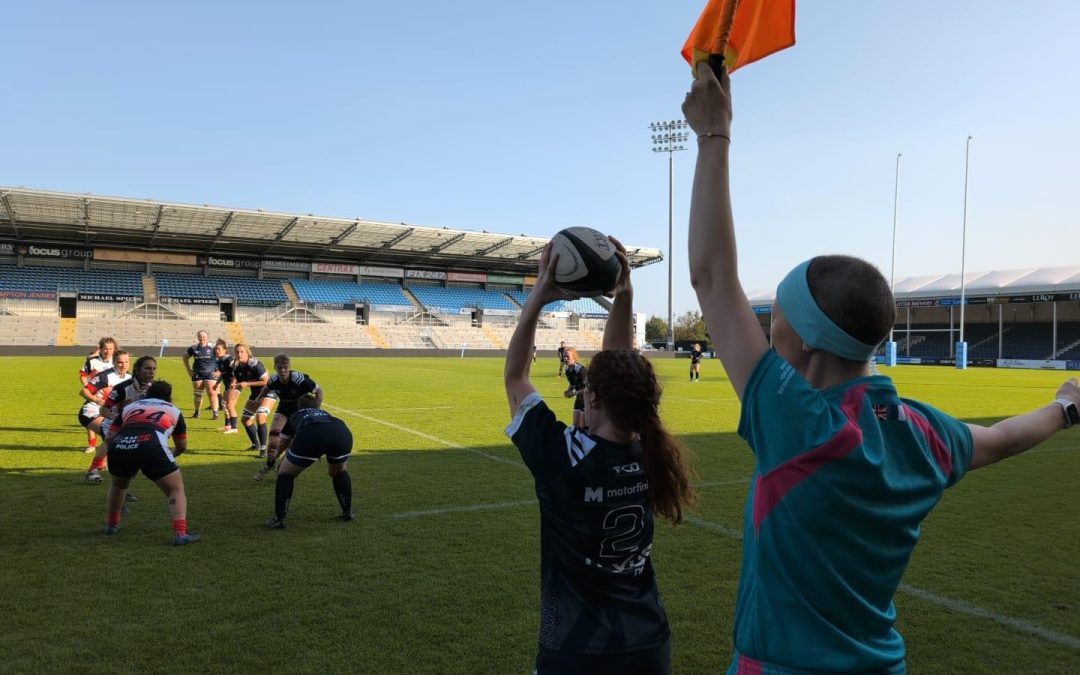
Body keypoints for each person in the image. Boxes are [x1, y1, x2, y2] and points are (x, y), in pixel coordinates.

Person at [683, 61, 1080, 673]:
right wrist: (1066, 406)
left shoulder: (798, 424)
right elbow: (1001, 439)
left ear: (807, 344)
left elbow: (712, 277)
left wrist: (715, 137)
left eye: (776, 322)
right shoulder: (924, 433)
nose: (765, 331)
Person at [504, 238, 695, 675]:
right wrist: (625, 294)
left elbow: (515, 375)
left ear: (589, 397)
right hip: (648, 643)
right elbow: (620, 366)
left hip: (576, 651)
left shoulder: (563, 456)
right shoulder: (650, 447)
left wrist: (537, 296)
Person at [103, 380, 200, 546]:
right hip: (152, 445)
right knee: (175, 489)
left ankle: (112, 525)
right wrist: (170, 457)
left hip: (120, 445)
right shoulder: (174, 410)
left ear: (147, 394)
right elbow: (182, 445)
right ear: (169, 397)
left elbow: (110, 436)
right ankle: (180, 534)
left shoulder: (130, 407)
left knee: (119, 486)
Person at [264, 397, 354, 529]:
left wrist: (276, 455)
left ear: (298, 407)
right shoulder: (325, 413)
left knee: (285, 474)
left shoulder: (296, 414)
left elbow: (283, 441)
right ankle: (347, 511)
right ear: (317, 407)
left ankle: (279, 519)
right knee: (339, 471)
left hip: (312, 434)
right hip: (341, 432)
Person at [254, 354, 322, 481]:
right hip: (284, 409)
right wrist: (258, 399)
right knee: (274, 441)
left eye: (286, 367)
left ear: (290, 367)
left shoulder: (299, 378)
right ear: (275, 367)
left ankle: (281, 469)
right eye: (280, 368)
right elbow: (267, 388)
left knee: (290, 445)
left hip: (299, 411)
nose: (283, 370)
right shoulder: (273, 379)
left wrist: (315, 409)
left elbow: (319, 391)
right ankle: (269, 466)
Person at [79, 350, 132, 483]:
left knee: (114, 439)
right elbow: (83, 391)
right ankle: (92, 471)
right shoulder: (105, 376)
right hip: (91, 411)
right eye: (120, 362)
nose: (123, 365)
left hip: (110, 413)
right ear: (114, 362)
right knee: (111, 436)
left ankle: (104, 466)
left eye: (126, 362)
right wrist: (97, 400)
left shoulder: (130, 378)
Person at [230, 343, 270, 455]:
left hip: (268, 391)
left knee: (260, 416)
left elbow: (266, 381)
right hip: (256, 393)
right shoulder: (237, 367)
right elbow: (239, 381)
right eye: (237, 352)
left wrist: (247, 384)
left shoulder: (254, 364)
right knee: (246, 419)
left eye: (242, 351)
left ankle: (263, 449)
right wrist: (234, 385)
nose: (239, 354)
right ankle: (255, 445)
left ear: (247, 353)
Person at [78, 337, 117, 453]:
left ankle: (107, 447)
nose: (108, 351)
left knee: (110, 422)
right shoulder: (92, 361)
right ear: (101, 348)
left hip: (112, 397)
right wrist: (88, 388)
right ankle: (92, 445)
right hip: (95, 395)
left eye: (110, 349)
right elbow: (83, 374)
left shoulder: (117, 361)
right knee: (90, 418)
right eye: (105, 348)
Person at [183, 330, 218, 419]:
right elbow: (185, 358)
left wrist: (219, 371)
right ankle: (197, 413)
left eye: (203, 337)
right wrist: (189, 370)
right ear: (198, 337)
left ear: (207, 338)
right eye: (200, 336)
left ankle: (215, 414)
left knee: (212, 394)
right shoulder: (193, 348)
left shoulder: (213, 347)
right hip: (197, 374)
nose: (202, 338)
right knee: (198, 394)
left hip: (210, 374)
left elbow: (221, 358)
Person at [212, 339, 239, 433]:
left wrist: (233, 383)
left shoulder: (228, 359)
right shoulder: (219, 360)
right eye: (215, 349)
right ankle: (228, 425)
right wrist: (216, 384)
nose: (216, 351)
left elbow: (236, 371)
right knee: (224, 404)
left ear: (225, 350)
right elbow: (223, 374)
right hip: (227, 385)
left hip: (234, 386)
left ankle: (234, 428)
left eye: (218, 349)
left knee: (229, 405)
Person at [562, 347, 587, 429]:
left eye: (567, 356)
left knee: (584, 427)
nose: (565, 358)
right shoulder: (567, 370)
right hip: (579, 398)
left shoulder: (581, 370)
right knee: (575, 425)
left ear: (574, 357)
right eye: (564, 356)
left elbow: (589, 388)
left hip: (587, 399)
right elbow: (573, 384)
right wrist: (568, 391)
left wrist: (574, 393)